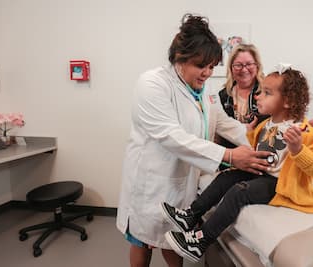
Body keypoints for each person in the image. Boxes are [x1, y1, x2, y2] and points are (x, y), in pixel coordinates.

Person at [116, 14, 273, 267]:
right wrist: (230, 156)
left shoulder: (204, 91)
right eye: (202, 66)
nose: (208, 73)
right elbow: (172, 136)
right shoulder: (153, 84)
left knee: (172, 241)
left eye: (212, 67)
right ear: (180, 58)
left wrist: (263, 143)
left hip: (181, 181)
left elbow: (225, 123)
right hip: (151, 181)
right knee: (143, 242)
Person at [162, 65, 313, 263]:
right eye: (260, 91)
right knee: (226, 177)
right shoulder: (266, 124)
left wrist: (298, 150)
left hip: (279, 186)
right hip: (262, 174)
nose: (258, 96)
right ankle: (191, 214)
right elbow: (256, 146)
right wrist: (250, 131)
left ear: (287, 101)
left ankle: (201, 240)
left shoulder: (303, 131)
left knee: (239, 191)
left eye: (266, 93)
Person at [217, 43, 313, 150]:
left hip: (264, 156)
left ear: (257, 66)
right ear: (231, 68)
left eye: (249, 64)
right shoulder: (221, 96)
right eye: (238, 65)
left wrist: (305, 127)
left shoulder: (272, 89)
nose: (244, 69)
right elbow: (218, 129)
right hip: (231, 158)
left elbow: (287, 117)